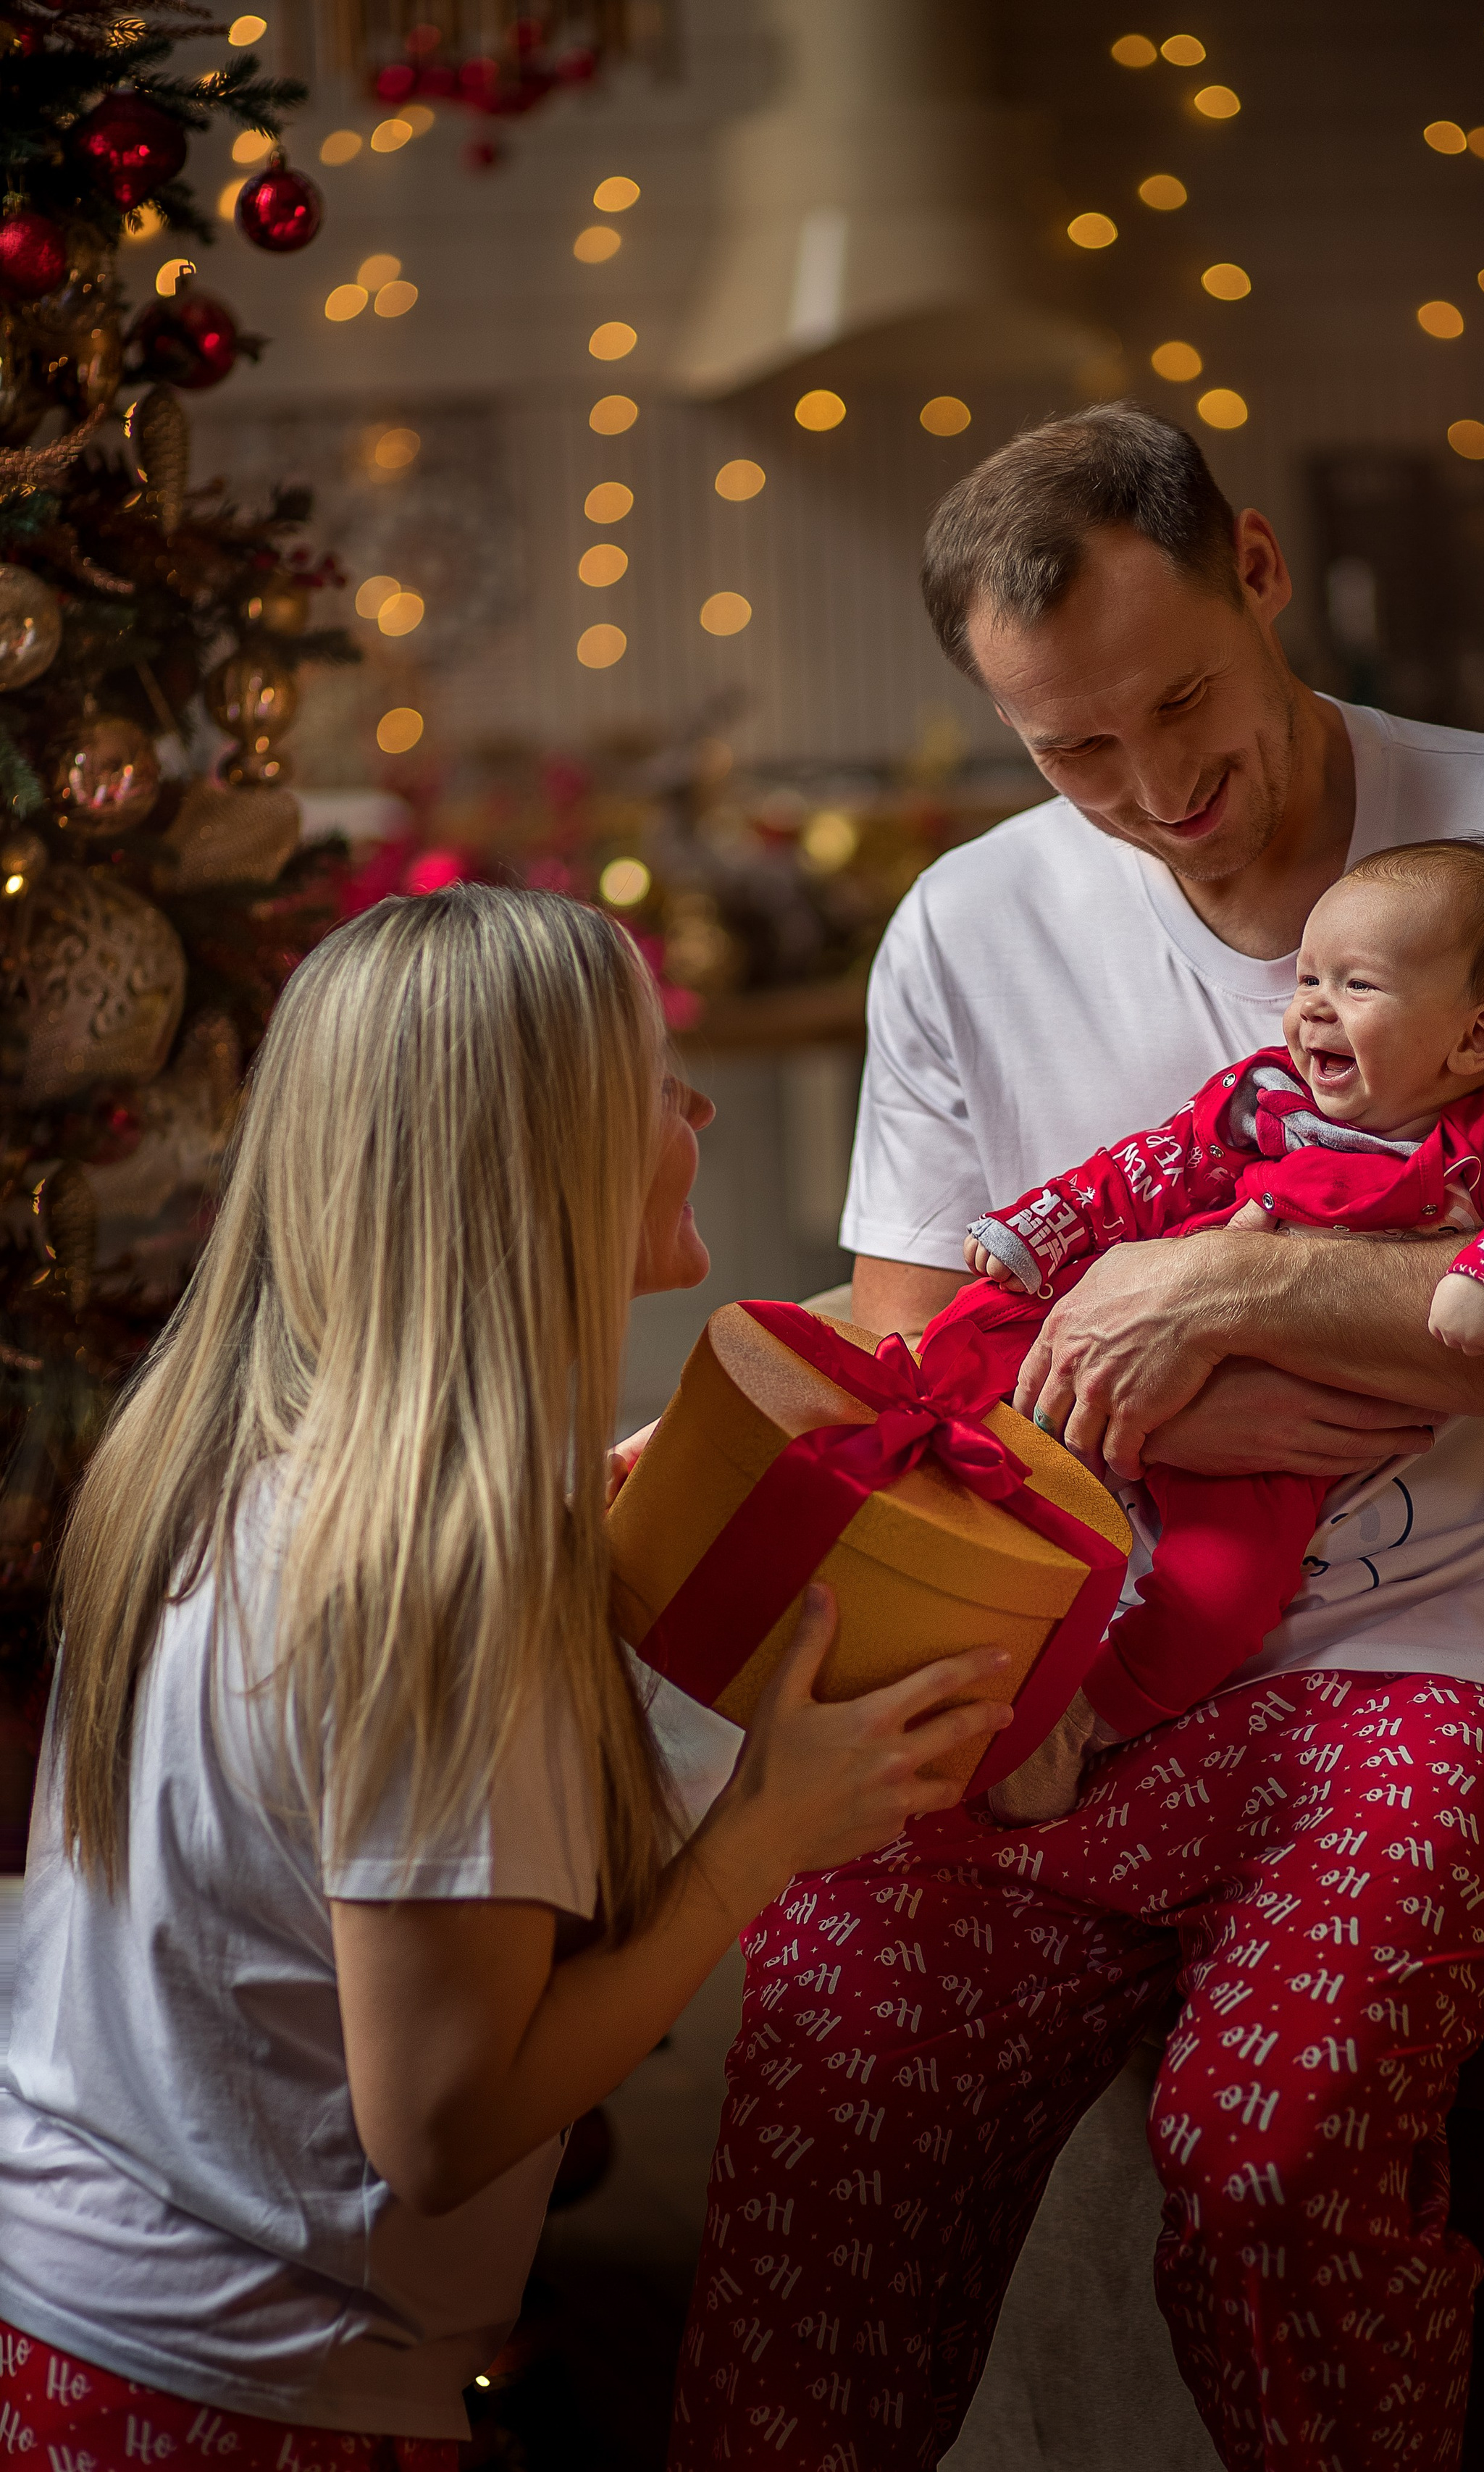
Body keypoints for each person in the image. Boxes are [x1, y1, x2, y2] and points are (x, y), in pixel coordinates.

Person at [667, 405, 1484, 2472]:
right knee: (824, 2043)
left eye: (1183, 703)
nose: (1159, 791)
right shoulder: (966, 932)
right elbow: (924, 1369)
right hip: (1088, 1662)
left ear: (1262, 569)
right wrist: (1169, 1375)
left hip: (1449, 1660)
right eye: (1076, 750)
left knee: (1264, 2149)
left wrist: (1250, 1293)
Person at [0, 887, 1011, 2470]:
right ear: (543, 1155)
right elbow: (445, 2131)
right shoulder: (443, 1576)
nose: (697, 1111)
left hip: (69, 2299)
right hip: (241, 2393)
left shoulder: (227, 1449)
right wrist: (762, 1833)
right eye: (655, 1084)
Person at [941, 837, 1484, 1821]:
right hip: (1134, 1341)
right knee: (983, 1328)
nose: (1311, 1003)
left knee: (1228, 1591)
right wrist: (1041, 1231)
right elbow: (1150, 1168)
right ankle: (924, 1441)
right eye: (1308, 975)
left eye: (1357, 983)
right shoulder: (1265, 1096)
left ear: (1475, 1042)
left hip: (1272, 1446)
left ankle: (1081, 1720)